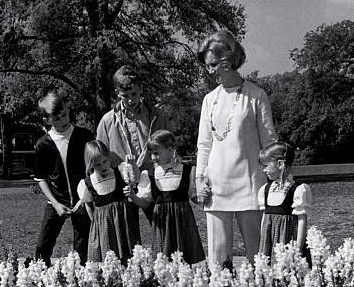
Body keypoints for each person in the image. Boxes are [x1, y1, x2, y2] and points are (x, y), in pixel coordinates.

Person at [196, 30, 278, 269]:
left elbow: (270, 142)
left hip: (251, 186)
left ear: (227, 62)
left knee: (259, 258)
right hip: (215, 188)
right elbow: (204, 145)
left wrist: (278, 176)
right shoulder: (209, 100)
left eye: (212, 65)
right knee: (218, 261)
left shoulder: (256, 96)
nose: (209, 71)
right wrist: (200, 178)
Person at [33, 92, 93, 266]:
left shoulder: (84, 136)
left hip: (83, 200)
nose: (63, 120)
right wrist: (56, 204)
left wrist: (86, 197)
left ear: (68, 110)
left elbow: (94, 169)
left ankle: (80, 281)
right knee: (42, 247)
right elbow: (41, 179)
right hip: (56, 201)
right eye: (57, 118)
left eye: (65, 114)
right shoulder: (43, 144)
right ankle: (41, 282)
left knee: (83, 248)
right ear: (47, 120)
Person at [136, 130, 205, 264]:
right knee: (164, 257)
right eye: (151, 154)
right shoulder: (150, 174)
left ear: (171, 149)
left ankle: (186, 282)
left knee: (185, 257)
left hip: (182, 221)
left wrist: (203, 195)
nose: (153, 158)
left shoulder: (186, 170)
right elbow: (145, 202)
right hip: (162, 222)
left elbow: (194, 196)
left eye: (157, 153)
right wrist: (133, 197)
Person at [77, 140, 145, 265]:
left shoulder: (119, 171)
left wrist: (132, 164)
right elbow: (88, 205)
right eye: (97, 164)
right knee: (108, 255)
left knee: (128, 254)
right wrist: (95, 222)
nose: (103, 166)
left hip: (123, 222)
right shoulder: (87, 183)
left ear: (109, 158)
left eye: (105, 161)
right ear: (90, 164)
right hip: (104, 224)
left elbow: (135, 178)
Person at [96, 64, 171, 176]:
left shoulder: (157, 116)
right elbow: (100, 156)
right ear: (117, 93)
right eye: (125, 96)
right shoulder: (107, 121)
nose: (130, 100)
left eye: (134, 94)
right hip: (122, 184)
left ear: (140, 89)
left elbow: (170, 147)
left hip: (155, 178)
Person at [258, 141, 312, 261]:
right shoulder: (266, 190)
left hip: (287, 243)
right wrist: (263, 242)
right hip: (269, 243)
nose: (264, 170)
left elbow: (302, 220)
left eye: (266, 166)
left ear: (280, 164)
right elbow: (264, 218)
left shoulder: (297, 190)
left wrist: (298, 249)